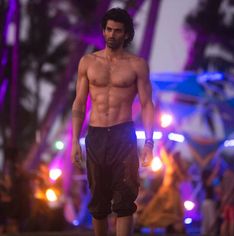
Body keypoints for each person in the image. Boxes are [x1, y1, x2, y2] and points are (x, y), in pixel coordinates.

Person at [70, 7, 154, 236]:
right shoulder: (88, 62)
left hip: (123, 134)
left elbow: (147, 104)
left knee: (125, 198)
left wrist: (149, 143)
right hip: (95, 134)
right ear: (103, 31)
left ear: (126, 34)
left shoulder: (137, 65)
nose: (112, 35)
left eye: (117, 31)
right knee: (98, 200)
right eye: (108, 29)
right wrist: (75, 140)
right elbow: (79, 103)